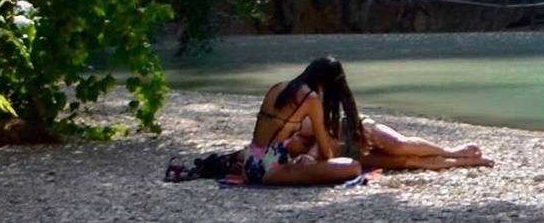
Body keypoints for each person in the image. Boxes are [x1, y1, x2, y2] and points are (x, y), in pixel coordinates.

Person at [171, 58, 491, 186]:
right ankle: (458, 158)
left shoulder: (278, 88)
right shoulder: (310, 99)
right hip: (272, 168)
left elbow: (275, 136)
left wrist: (306, 154)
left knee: (397, 151)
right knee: (355, 167)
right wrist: (312, 157)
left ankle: (457, 155)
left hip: (257, 166)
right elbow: (325, 151)